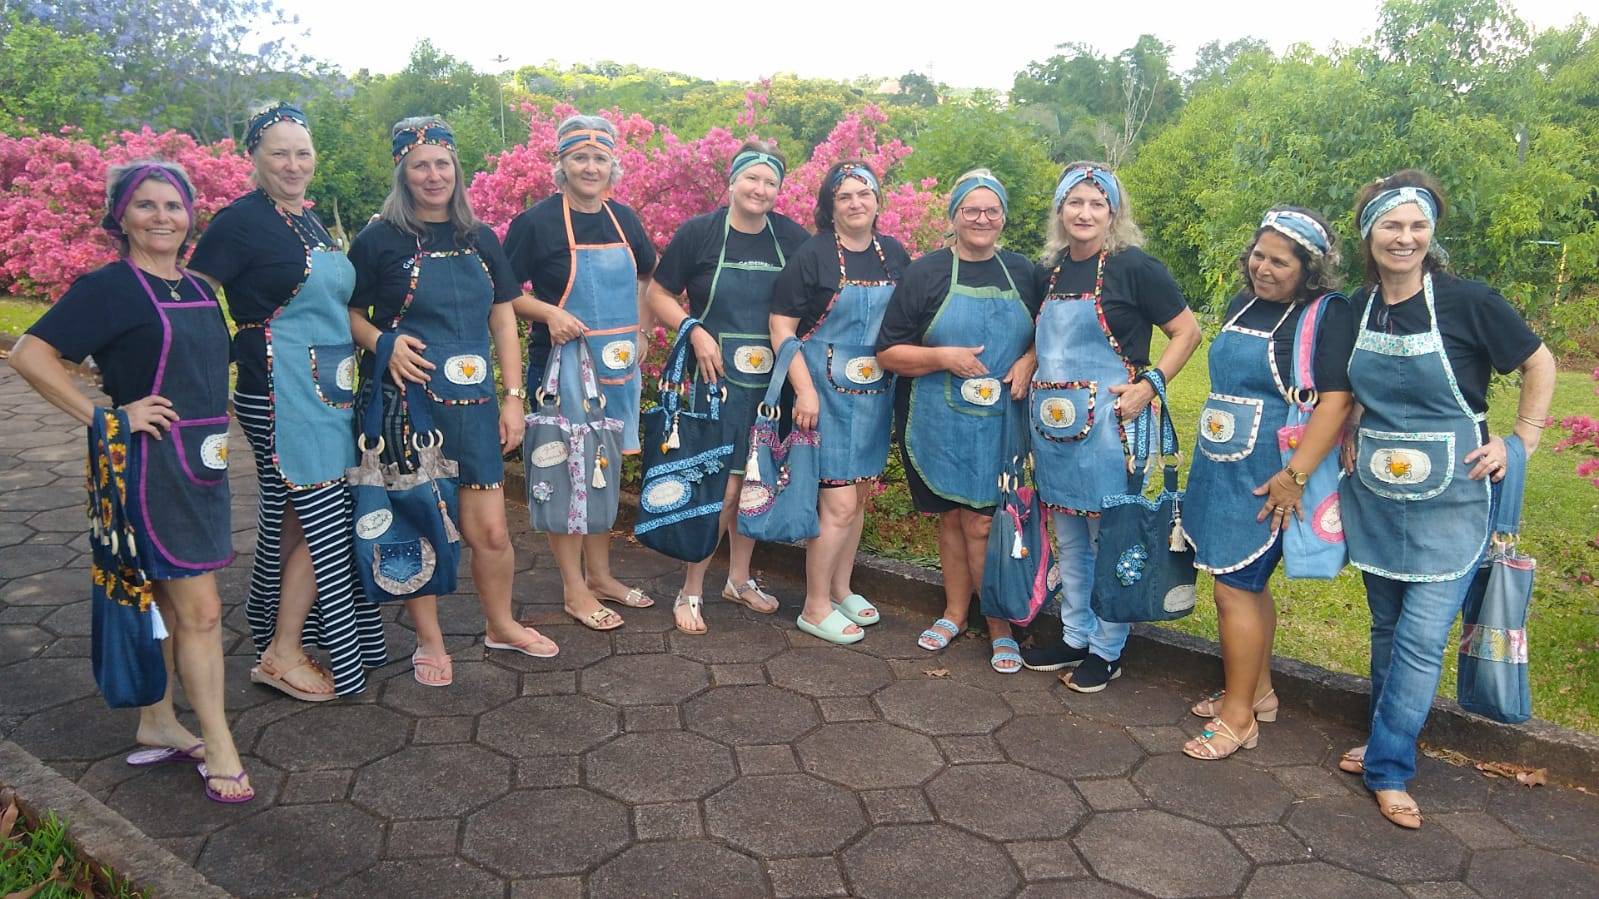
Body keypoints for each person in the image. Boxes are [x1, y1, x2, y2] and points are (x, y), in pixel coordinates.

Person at [10, 161, 253, 801]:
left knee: (167, 601)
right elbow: (30, 354)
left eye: (174, 205)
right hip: (146, 468)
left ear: (190, 215)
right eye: (146, 205)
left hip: (203, 465)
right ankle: (220, 745)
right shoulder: (109, 287)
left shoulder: (197, 287)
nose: (162, 217)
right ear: (120, 216)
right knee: (202, 610)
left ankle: (158, 721)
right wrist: (104, 415)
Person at [1335, 170, 1554, 828]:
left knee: (1422, 638)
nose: (1404, 237)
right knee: (1385, 628)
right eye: (1391, 225)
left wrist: (1520, 440)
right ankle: (1386, 736)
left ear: (1430, 232)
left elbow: (1539, 363)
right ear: (1368, 233)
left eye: (1417, 226)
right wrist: (1351, 425)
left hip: (1453, 497)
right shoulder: (1356, 307)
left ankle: (1388, 766)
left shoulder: (1467, 301)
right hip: (1376, 493)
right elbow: (1352, 386)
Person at [347, 116, 557, 686]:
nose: (433, 175)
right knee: (420, 524)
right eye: (420, 165)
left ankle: (501, 625)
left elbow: (503, 318)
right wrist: (384, 344)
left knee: (491, 533)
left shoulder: (479, 237)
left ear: (456, 169)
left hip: (475, 407)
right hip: (407, 405)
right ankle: (430, 640)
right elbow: (351, 315)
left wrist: (512, 398)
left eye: (442, 163)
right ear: (402, 172)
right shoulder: (378, 240)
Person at [188, 103, 387, 700]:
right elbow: (194, 301)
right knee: (321, 518)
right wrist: (200, 376)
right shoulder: (239, 221)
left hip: (329, 391)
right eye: (279, 153)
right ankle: (282, 652)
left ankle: (281, 637)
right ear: (253, 156)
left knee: (299, 521)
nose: (293, 164)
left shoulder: (310, 221)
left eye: (303, 153)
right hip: (279, 389)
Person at [1019, 162, 1201, 693]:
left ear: (1113, 212)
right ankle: (1075, 636)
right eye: (1074, 203)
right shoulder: (1048, 272)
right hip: (1055, 432)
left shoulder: (1134, 268)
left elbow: (1187, 332)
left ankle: (1107, 650)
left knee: (1112, 539)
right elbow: (1042, 341)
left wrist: (1150, 385)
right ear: (1060, 210)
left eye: (1096, 204)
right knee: (1071, 541)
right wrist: (1028, 362)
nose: (1085, 213)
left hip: (1110, 428)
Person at [1179, 207, 1353, 759]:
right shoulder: (1243, 303)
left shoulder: (1324, 314)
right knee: (1245, 585)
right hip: (1220, 468)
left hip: (1268, 476)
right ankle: (1258, 692)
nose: (1264, 268)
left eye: (1280, 262)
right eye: (1259, 255)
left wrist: (1294, 476)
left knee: (1235, 589)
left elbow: (1336, 401)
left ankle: (1238, 719)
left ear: (1309, 270)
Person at [876, 169, 1040, 672]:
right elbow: (888, 352)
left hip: (1003, 420)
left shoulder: (1025, 273)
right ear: (954, 216)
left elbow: (1052, 332)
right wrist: (943, 357)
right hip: (940, 417)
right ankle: (954, 612)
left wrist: (1030, 359)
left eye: (992, 210)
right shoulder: (925, 274)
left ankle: (998, 622)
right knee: (952, 516)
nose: (982, 219)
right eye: (971, 209)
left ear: (1004, 218)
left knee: (986, 521)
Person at [643, 141, 810, 634]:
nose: (760, 189)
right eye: (752, 178)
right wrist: (692, 329)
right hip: (715, 380)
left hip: (771, 383)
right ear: (732, 181)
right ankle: (690, 588)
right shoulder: (700, 234)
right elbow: (658, 292)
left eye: (771, 182)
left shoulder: (791, 238)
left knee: (756, 480)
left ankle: (738, 579)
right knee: (719, 484)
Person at [504, 115, 659, 631]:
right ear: (562, 164)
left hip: (617, 371)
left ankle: (601, 575)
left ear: (612, 164)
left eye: (599, 158)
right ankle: (574, 588)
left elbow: (647, 277)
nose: (590, 168)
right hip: (561, 369)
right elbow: (502, 293)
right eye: (580, 158)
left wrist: (642, 330)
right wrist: (549, 313)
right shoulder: (537, 223)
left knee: (602, 469)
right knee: (565, 474)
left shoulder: (624, 219)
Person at [770, 161, 912, 644]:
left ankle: (840, 587)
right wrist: (804, 389)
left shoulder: (893, 253)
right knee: (839, 503)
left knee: (859, 498)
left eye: (864, 193)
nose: (855, 203)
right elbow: (781, 328)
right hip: (822, 395)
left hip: (873, 395)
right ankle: (814, 606)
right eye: (844, 196)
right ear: (829, 206)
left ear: (877, 200)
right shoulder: (812, 255)